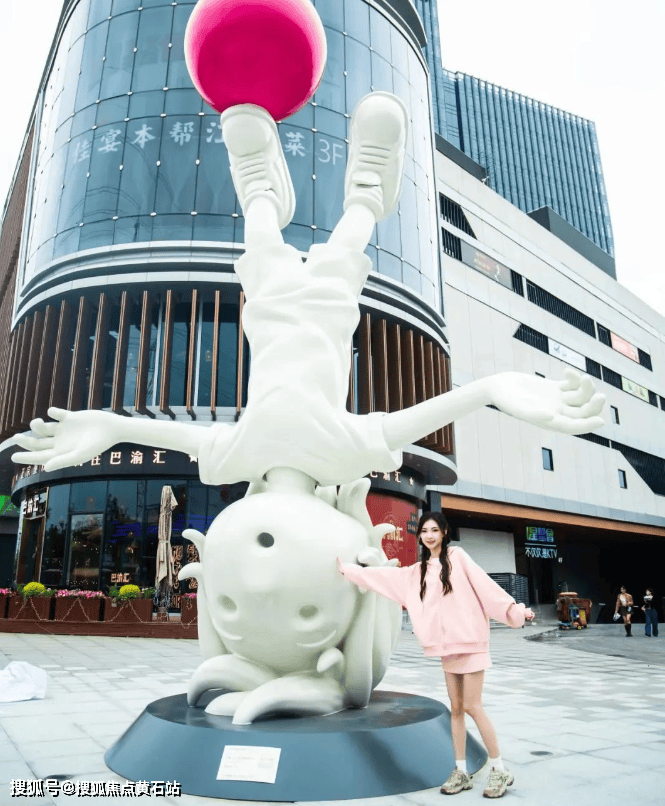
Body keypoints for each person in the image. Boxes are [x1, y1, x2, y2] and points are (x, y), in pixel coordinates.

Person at [10, 93, 605, 492]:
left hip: (271, 315)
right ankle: (369, 192)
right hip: (324, 314)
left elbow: (171, 433)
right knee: (340, 258)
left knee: (263, 255)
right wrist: (492, 389)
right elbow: (419, 417)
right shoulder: (345, 455)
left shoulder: (239, 457)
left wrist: (111, 425)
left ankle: (262, 194)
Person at [338, 511, 534, 799]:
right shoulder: (417, 572)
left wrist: (515, 611)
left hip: (471, 643)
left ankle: (499, 768)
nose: (429, 535)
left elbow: (486, 587)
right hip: (447, 648)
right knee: (456, 709)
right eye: (424, 531)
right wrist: (350, 571)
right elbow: (386, 577)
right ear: (419, 536)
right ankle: (461, 771)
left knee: (473, 706)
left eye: (434, 530)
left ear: (444, 533)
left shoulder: (458, 557)